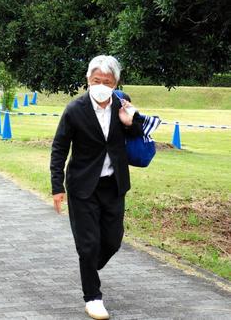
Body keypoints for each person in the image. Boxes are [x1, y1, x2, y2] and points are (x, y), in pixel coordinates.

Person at [50, 55, 142, 319]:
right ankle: (92, 296)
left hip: (113, 185)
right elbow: (59, 148)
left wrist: (130, 122)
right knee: (88, 244)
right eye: (96, 80)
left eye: (107, 81)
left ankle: (88, 265)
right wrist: (57, 186)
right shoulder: (75, 109)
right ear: (88, 81)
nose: (101, 85)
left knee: (112, 241)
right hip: (82, 187)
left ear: (116, 83)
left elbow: (139, 137)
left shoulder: (122, 106)